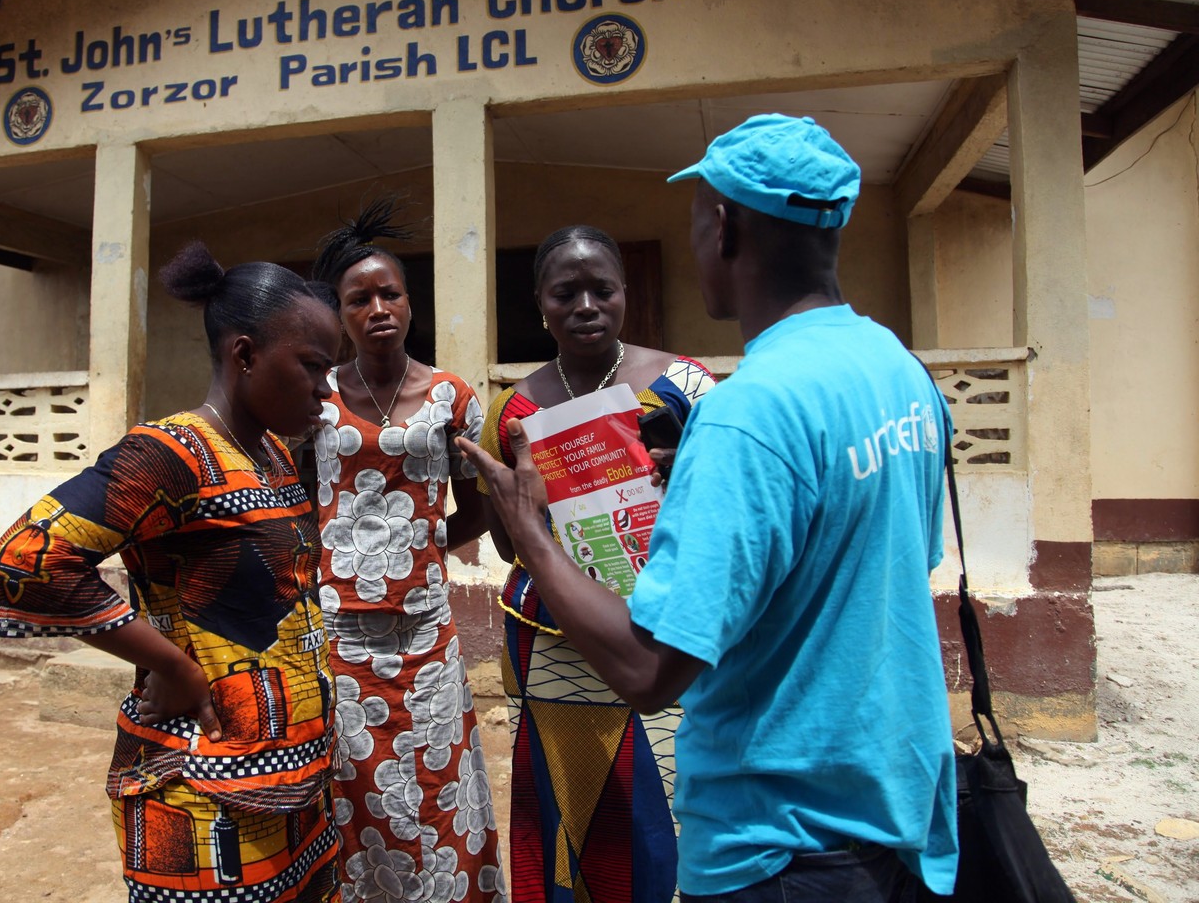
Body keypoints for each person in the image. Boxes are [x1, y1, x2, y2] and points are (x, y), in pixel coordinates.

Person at [461, 115, 959, 902]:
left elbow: (648, 672)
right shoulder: (902, 372)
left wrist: (531, 534)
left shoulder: (741, 414)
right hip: (896, 802)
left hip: (781, 836)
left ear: (723, 227)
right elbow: (887, 568)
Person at [0, 243, 343, 903]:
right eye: (312, 366)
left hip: (291, 787)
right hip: (201, 791)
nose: (324, 388)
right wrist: (174, 666)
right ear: (246, 354)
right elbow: (27, 561)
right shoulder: (171, 454)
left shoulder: (275, 456)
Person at [478, 224, 716, 903]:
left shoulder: (685, 387)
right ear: (540, 304)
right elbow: (507, 545)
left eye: (601, 289)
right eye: (566, 292)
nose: (586, 304)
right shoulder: (514, 411)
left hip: (664, 635)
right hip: (556, 645)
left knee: (670, 803)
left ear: (624, 294)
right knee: (573, 804)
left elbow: (729, 516)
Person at [309, 195, 507, 903]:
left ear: (409, 301)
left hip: (426, 632)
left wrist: (422, 550)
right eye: (358, 299)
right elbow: (300, 504)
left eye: (389, 292)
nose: (377, 308)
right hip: (340, 635)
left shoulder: (451, 398)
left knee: (438, 781)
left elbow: (479, 508)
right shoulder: (317, 398)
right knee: (352, 784)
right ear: (340, 312)